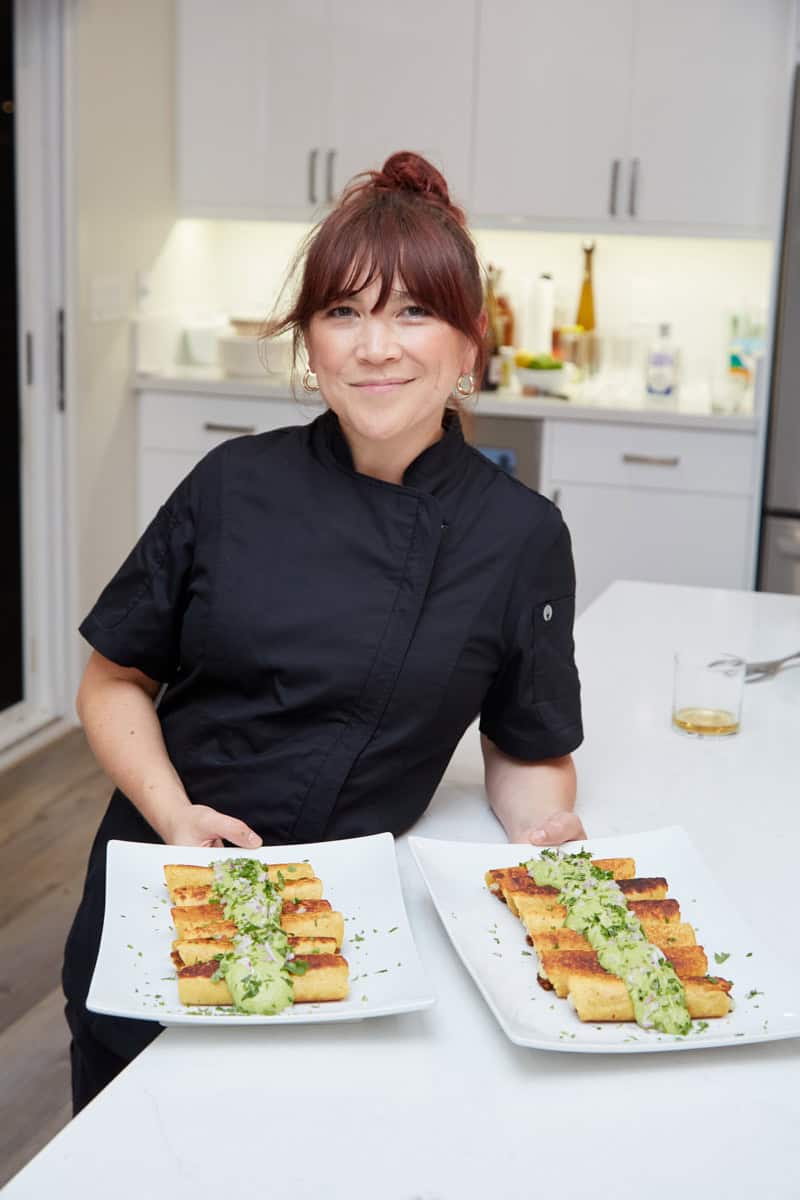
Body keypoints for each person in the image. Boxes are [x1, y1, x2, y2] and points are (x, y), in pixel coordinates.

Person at [62, 150, 585, 1113]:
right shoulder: (231, 484)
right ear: (310, 342)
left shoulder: (519, 537)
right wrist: (176, 818)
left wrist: (540, 833)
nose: (375, 346)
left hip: (353, 917)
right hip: (171, 874)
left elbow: (526, 742)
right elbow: (113, 678)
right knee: (126, 1129)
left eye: (413, 312)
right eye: (343, 311)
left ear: (470, 344)